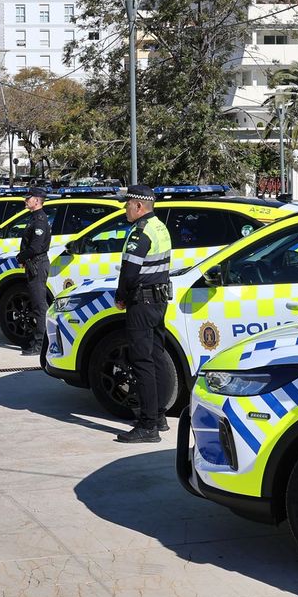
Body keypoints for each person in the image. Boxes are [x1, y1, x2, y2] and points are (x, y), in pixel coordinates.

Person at [113, 185, 172, 443]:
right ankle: (158, 415)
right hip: (158, 302)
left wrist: (121, 297)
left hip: (142, 302)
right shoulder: (160, 227)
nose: (125, 208)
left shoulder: (140, 232)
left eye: (127, 204)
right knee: (156, 358)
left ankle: (148, 426)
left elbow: (129, 272)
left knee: (142, 362)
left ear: (139, 206)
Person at [17, 187, 52, 356]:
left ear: (37, 201)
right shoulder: (34, 218)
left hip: (37, 264)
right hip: (34, 264)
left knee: (40, 306)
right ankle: (38, 339)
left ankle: (40, 344)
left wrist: (20, 257)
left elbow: (35, 247)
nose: (26, 200)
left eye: (28, 198)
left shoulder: (39, 221)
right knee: (37, 304)